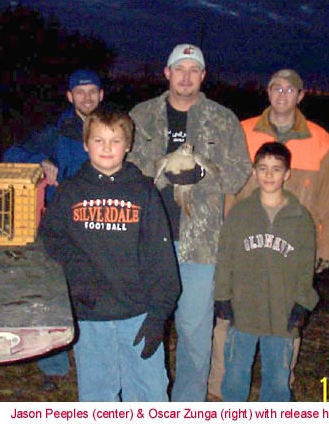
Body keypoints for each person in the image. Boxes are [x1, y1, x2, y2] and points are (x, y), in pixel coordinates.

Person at [208, 68, 329, 398]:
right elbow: (223, 192)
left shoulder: (322, 141)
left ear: (301, 96)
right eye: (276, 88)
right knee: (229, 332)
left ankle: (279, 393)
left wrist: (326, 251)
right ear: (267, 92)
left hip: (292, 257)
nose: (282, 95)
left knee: (285, 329)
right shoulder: (240, 132)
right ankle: (218, 394)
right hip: (244, 253)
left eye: (290, 90)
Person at [127, 43, 251, 401]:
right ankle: (147, 400)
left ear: (203, 76)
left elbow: (239, 175)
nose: (185, 76)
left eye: (193, 69)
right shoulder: (142, 115)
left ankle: (187, 405)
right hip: (147, 239)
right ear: (166, 73)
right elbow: (125, 167)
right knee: (145, 324)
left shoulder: (223, 118)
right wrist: (165, 171)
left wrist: (202, 173)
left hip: (200, 245)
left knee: (195, 333)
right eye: (178, 69)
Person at [39, 109, 180, 401]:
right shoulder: (70, 191)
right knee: (97, 397)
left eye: (115, 141)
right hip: (91, 317)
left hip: (139, 315)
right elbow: (51, 237)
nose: (106, 148)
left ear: (128, 145)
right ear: (85, 144)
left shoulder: (144, 191)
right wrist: (77, 273)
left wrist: (159, 315)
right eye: (98, 140)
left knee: (149, 395)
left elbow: (161, 258)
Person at [3, 69, 104, 390]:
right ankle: (53, 365)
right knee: (53, 291)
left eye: (92, 91)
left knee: (96, 291)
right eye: (80, 92)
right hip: (59, 225)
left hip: (100, 222)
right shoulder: (57, 131)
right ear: (70, 96)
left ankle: (94, 358)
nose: (86, 97)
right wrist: (39, 160)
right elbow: (10, 155)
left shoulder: (113, 127)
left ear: (101, 96)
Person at [214, 141, 319, 401]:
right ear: (254, 172)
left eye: (276, 169)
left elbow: (306, 265)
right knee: (236, 374)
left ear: (287, 174)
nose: (269, 175)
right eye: (263, 168)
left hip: (282, 313)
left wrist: (303, 302)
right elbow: (225, 257)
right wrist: (222, 295)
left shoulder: (300, 218)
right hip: (243, 310)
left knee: (277, 378)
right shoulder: (240, 214)